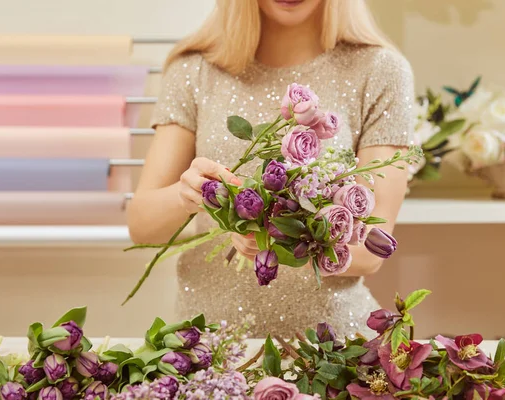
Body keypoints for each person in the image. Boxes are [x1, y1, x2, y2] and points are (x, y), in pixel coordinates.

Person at [127, 0, 414, 338]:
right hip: (210, 350)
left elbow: (370, 251)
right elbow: (142, 226)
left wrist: (273, 239)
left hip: (332, 354)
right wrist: (186, 195)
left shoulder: (380, 70)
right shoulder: (192, 71)